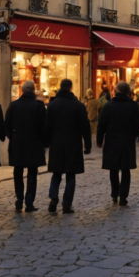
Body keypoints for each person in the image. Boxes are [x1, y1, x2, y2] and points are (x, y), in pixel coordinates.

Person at [43, 79, 91, 214]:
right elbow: (85, 128)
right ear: (71, 88)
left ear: (60, 87)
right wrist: (87, 145)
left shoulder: (52, 106)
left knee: (56, 174)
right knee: (70, 175)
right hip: (73, 145)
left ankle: (53, 199)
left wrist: (46, 142)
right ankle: (66, 203)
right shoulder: (78, 106)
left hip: (56, 144)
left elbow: (47, 126)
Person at [96, 82, 139, 206]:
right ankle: (123, 196)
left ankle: (114, 193)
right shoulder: (133, 106)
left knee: (113, 169)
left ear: (116, 91)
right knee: (125, 169)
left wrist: (99, 140)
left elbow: (101, 125)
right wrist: (132, 134)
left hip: (112, 140)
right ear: (128, 92)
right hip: (127, 141)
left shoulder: (108, 106)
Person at [5, 80, 47, 213]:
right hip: (34, 143)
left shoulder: (13, 105)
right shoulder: (39, 107)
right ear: (34, 91)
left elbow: (7, 125)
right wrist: (44, 142)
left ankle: (19, 199)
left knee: (18, 171)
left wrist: (13, 137)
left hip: (18, 143)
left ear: (22, 91)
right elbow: (44, 127)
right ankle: (29, 202)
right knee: (32, 173)